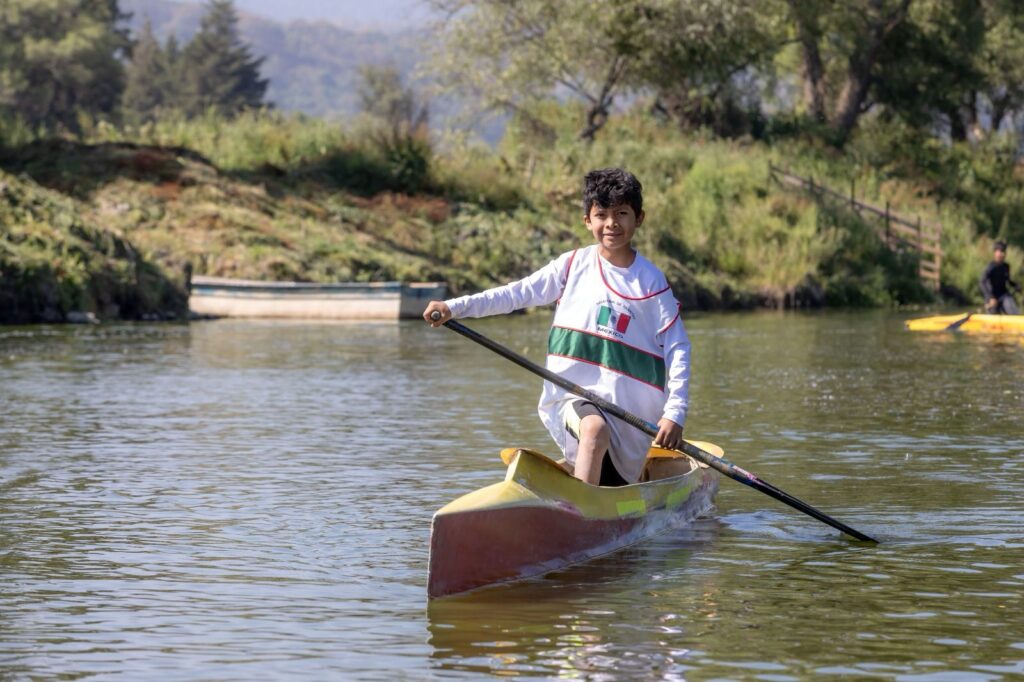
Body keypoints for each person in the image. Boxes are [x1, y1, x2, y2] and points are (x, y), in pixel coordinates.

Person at [423, 168, 690, 487]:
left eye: (622, 213)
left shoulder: (652, 282)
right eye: (601, 215)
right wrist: (454, 307)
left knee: (612, 471)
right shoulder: (572, 266)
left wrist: (675, 413)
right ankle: (582, 510)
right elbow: (515, 294)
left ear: (639, 218)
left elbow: (678, 347)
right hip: (573, 397)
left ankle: (590, 493)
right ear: (587, 221)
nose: (611, 223)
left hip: (632, 418)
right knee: (594, 430)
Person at [980, 240, 1020, 315]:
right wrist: (990, 297)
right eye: (1001, 251)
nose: (1003, 254)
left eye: (1004, 251)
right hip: (992, 298)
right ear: (995, 253)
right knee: (994, 316)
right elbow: (982, 282)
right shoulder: (991, 267)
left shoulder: (1006, 266)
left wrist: (1015, 285)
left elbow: (1008, 280)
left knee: (1013, 311)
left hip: (1004, 296)